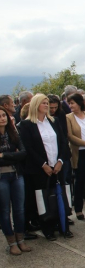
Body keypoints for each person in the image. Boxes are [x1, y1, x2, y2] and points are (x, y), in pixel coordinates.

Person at [18, 94, 73, 240]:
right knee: (43, 198)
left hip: (57, 166)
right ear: (36, 105)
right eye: (44, 103)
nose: (47, 105)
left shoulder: (53, 121)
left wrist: (60, 161)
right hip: (39, 169)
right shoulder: (26, 125)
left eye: (47, 103)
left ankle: (63, 226)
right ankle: (47, 228)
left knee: (60, 196)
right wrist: (43, 165)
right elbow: (29, 149)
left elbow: (62, 142)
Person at [0, 107, 31, 255]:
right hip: (1, 178)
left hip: (17, 175)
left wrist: (4, 156)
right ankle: (11, 242)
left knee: (19, 209)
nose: (2, 118)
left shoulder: (13, 133)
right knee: (5, 211)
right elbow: (18, 154)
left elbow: (24, 153)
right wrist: (13, 155)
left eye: (4, 115)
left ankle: (21, 240)